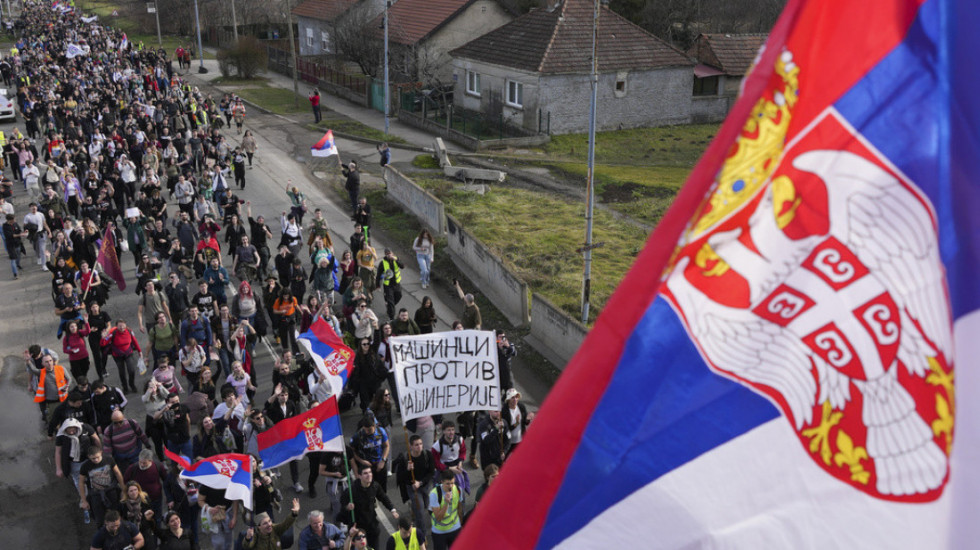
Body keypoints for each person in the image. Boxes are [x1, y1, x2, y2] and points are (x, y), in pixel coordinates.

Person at [55, 417, 101, 522]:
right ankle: (84, 500)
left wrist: (100, 453)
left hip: (87, 459)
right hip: (73, 463)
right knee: (78, 481)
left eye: (73, 429)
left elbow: (96, 439)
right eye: (69, 429)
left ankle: (96, 496)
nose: (71, 431)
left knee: (94, 477)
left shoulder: (85, 428)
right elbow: (58, 452)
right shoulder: (61, 436)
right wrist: (59, 468)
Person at [342, 467, 399, 550]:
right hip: (357, 528)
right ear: (360, 476)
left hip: (371, 525)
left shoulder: (375, 486)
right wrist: (348, 506)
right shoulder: (351, 490)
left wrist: (392, 509)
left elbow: (383, 498)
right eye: (365, 473)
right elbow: (342, 504)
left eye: (370, 472)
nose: (369, 475)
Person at [395, 434, 435, 541]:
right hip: (412, 489)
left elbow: (431, 472)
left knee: (427, 505)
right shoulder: (405, 459)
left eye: (421, 444)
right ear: (411, 446)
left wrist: (420, 483)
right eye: (416, 445)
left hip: (425, 486)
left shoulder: (428, 455)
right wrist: (407, 470)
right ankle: (422, 536)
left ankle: (413, 508)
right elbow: (400, 478)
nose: (420, 447)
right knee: (420, 512)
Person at [79, 446, 126, 527]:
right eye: (93, 458)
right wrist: (84, 500)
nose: (96, 460)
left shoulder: (108, 459)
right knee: (99, 519)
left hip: (111, 491)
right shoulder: (85, 466)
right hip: (96, 494)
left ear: (101, 453)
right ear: (88, 456)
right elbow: (81, 482)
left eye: (97, 457)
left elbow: (118, 473)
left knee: (117, 514)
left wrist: (124, 490)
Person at [102, 320, 143, 394]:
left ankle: (132, 384)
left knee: (131, 370)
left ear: (125, 325)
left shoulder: (129, 331)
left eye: (123, 325)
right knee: (122, 372)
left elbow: (134, 341)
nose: (121, 327)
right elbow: (103, 343)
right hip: (117, 356)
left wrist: (139, 351)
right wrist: (103, 337)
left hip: (128, 354)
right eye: (119, 326)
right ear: (116, 326)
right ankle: (125, 388)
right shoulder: (112, 333)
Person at [34, 352, 72, 423]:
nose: (49, 363)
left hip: (63, 399)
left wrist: (67, 386)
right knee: (54, 419)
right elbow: (33, 370)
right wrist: (27, 362)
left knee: (66, 418)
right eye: (47, 362)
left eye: (50, 361)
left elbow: (69, 379)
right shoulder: (41, 372)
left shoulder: (61, 368)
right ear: (43, 364)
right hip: (52, 402)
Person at [428, 471, 462, 550]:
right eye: (447, 483)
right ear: (442, 482)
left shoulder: (457, 489)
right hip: (439, 531)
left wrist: (461, 524)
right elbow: (439, 518)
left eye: (452, 483)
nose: (450, 486)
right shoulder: (434, 494)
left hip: (455, 528)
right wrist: (446, 503)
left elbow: (459, 508)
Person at [502, 387, 532, 458]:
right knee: (503, 459)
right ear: (508, 400)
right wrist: (516, 423)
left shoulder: (521, 407)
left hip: (520, 439)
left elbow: (524, 422)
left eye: (516, 397)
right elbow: (505, 429)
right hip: (509, 442)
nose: (515, 399)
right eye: (512, 397)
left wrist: (528, 419)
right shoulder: (504, 412)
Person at [376, 249, 403, 320]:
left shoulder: (396, 259)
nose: (388, 255)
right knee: (391, 302)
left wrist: (396, 260)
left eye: (389, 253)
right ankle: (392, 318)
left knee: (399, 296)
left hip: (396, 283)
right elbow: (378, 275)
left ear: (392, 253)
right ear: (385, 255)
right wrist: (378, 285)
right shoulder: (382, 263)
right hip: (388, 285)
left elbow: (402, 266)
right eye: (387, 254)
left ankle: (389, 306)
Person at [3, 213, 27, 278]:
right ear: (9, 220)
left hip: (17, 243)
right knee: (13, 258)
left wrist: (24, 232)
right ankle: (15, 273)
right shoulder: (5, 226)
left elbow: (19, 230)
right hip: (11, 245)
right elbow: (10, 236)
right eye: (13, 220)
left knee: (18, 255)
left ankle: (18, 264)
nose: (14, 221)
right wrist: (20, 235)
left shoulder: (15, 224)